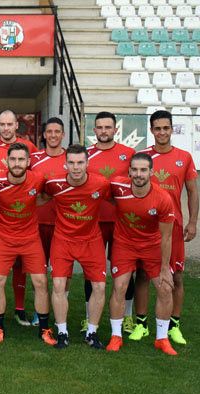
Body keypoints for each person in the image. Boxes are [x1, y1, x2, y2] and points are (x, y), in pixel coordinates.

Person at [106, 153, 177, 355]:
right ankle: (116, 336)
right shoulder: (118, 187)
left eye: (143, 170)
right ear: (129, 171)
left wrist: (165, 268)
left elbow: (166, 237)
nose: (138, 174)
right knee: (119, 287)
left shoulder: (163, 198)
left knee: (164, 288)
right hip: (124, 244)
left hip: (152, 246)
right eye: (135, 169)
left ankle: (162, 339)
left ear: (151, 172)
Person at [137, 110, 198, 345]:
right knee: (142, 274)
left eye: (166, 128)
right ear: (151, 130)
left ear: (172, 129)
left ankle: (174, 326)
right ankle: (141, 325)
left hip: (173, 227)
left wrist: (192, 221)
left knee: (177, 277)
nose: (162, 132)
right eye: (157, 128)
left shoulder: (184, 157)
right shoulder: (142, 157)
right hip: (146, 227)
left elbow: (192, 191)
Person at [0, 143, 55, 345]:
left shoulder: (38, 180)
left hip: (30, 238)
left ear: (28, 161)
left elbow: (46, 195)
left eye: (21, 159)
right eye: (13, 159)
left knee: (41, 282)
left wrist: (32, 202)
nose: (17, 163)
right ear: (7, 161)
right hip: (3, 238)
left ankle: (44, 329)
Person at [44, 144, 111, 350]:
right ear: (65, 164)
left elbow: (120, 202)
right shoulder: (54, 185)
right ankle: (62, 332)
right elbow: (37, 198)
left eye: (80, 162)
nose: (76, 167)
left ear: (87, 163)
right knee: (58, 286)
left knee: (99, 287)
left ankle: (92, 333)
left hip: (91, 241)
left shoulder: (101, 184)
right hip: (63, 240)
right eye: (71, 163)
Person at [0, 111, 38, 326]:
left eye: (9, 124)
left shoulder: (28, 147)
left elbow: (34, 176)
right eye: (2, 124)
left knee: (20, 262)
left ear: (16, 126)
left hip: (19, 211)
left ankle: (20, 308)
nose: (6, 128)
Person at [84, 111, 136, 334]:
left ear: (115, 130)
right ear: (94, 130)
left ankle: (127, 316)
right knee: (90, 271)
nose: (103, 131)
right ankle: (88, 318)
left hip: (121, 223)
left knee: (125, 271)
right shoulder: (85, 155)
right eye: (99, 127)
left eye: (108, 127)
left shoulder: (129, 154)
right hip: (93, 222)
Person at [29, 118, 67, 325]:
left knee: (62, 271)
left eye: (57, 131)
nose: (53, 135)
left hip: (63, 223)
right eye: (49, 131)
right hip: (37, 222)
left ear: (63, 134)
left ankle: (62, 305)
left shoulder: (72, 159)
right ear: (44, 135)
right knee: (39, 270)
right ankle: (39, 309)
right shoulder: (34, 159)